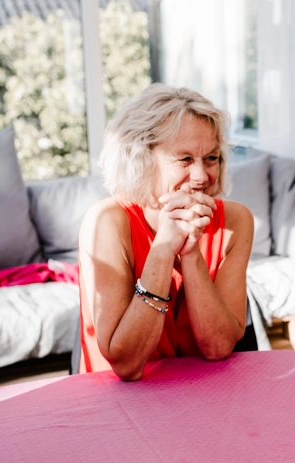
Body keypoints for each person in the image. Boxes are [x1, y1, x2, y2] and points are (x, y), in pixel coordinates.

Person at [78, 84, 256, 380]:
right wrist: (162, 249)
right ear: (142, 160)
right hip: (116, 406)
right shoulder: (107, 222)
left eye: (210, 158)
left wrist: (190, 251)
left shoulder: (236, 221)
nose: (201, 176)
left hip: (204, 396)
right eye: (185, 159)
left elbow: (218, 347)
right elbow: (127, 365)